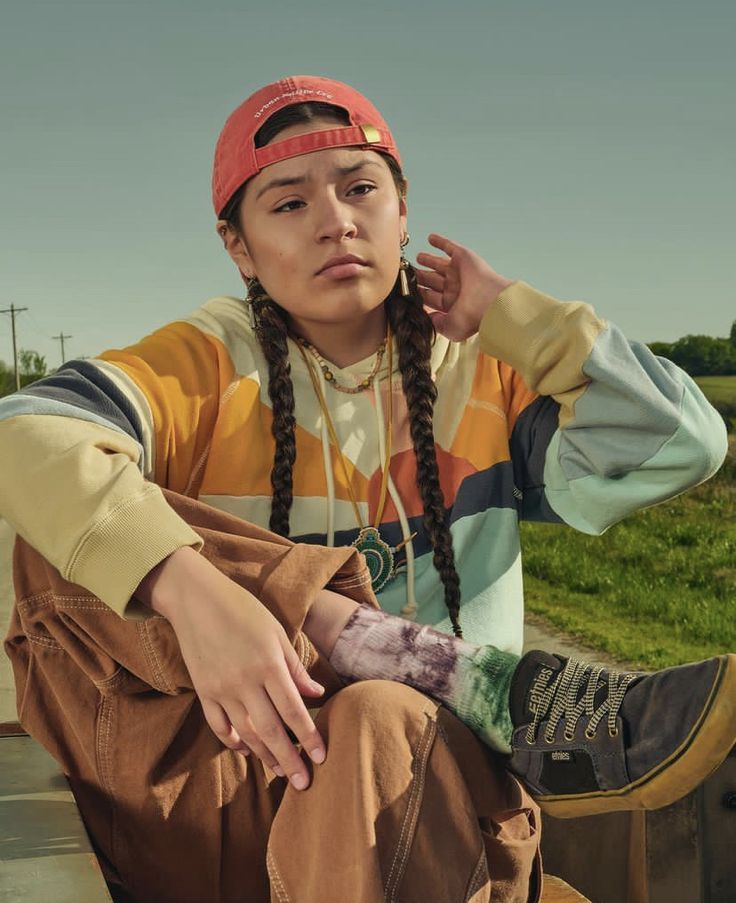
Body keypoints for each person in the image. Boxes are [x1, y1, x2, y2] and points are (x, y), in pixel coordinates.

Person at [1, 75, 734, 903]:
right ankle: (462, 676)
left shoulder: (481, 376)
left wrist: (516, 317)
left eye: (360, 189)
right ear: (237, 246)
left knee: (379, 714)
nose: (336, 220)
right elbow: (23, 435)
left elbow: (686, 441)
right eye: (288, 203)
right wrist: (202, 596)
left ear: (402, 210)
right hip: (233, 800)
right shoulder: (206, 362)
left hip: (435, 804)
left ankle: (418, 679)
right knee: (57, 537)